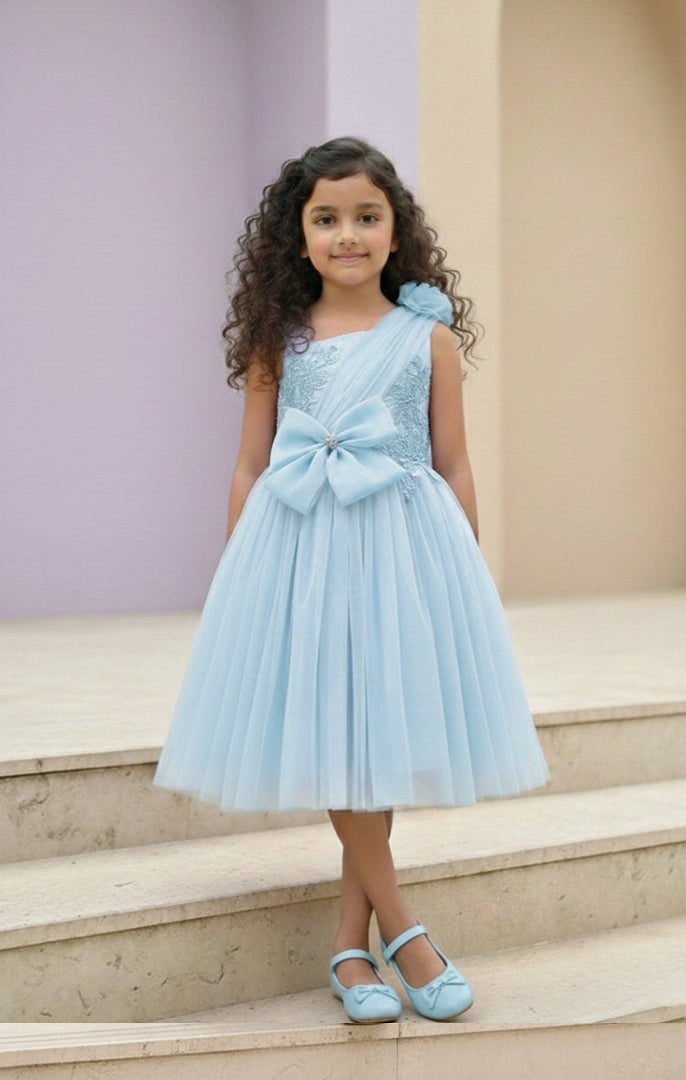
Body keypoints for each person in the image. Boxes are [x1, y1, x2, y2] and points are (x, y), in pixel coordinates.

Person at [155, 136, 550, 1025]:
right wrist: (241, 572)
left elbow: (453, 463)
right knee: (337, 724)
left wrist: (465, 573)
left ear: (394, 229)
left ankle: (348, 948)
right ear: (297, 238)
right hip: (301, 550)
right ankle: (401, 930)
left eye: (366, 217)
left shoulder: (429, 338)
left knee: (374, 731)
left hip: (403, 551)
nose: (347, 235)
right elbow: (250, 464)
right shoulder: (279, 340)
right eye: (326, 219)